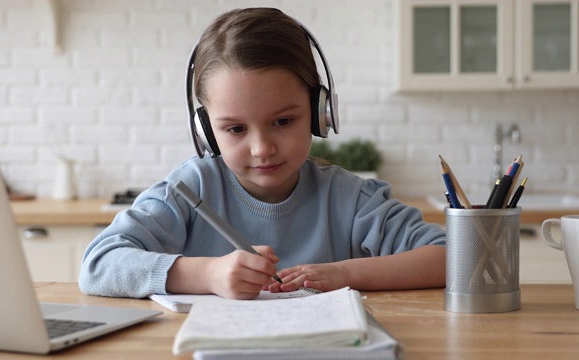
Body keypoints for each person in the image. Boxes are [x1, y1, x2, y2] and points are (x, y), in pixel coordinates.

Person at [79, 7, 446, 300]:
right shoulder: (190, 189)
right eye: (236, 129)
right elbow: (98, 265)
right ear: (206, 131)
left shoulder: (351, 199)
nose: (262, 148)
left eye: (283, 121)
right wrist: (208, 274)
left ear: (321, 113)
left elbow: (451, 257)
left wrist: (344, 273)